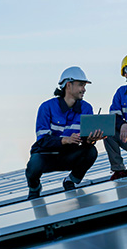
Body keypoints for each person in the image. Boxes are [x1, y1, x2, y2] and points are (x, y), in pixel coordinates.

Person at [25, 66, 104, 200]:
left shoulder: (86, 108)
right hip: (47, 156)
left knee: (91, 151)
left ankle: (71, 180)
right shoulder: (46, 107)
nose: (84, 89)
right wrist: (65, 140)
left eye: (84, 85)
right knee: (34, 165)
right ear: (68, 85)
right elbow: (42, 141)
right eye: (81, 85)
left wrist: (91, 139)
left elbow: (85, 141)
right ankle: (34, 188)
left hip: (69, 155)